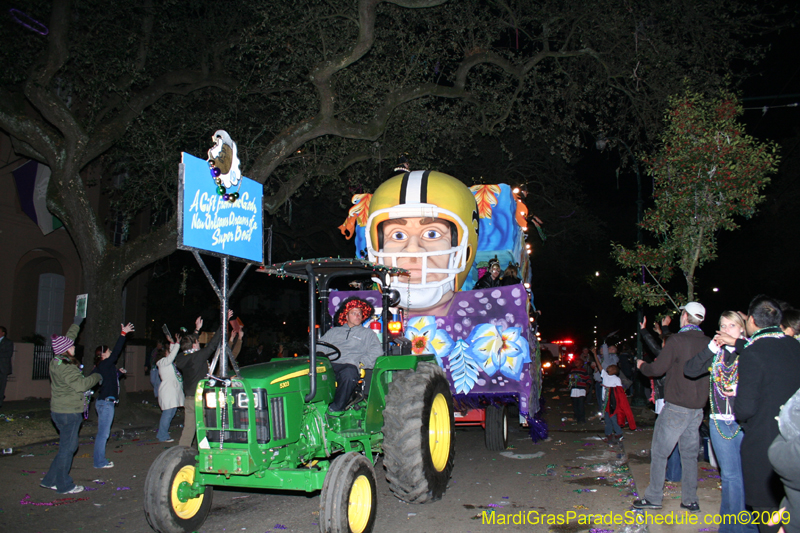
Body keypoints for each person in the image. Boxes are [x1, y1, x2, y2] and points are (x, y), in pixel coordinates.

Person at [719, 296, 800, 533]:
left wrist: (735, 396)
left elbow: (745, 409)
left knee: (767, 517)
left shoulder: (753, 354)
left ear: (751, 320)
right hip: (795, 444)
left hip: (765, 446)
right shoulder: (794, 346)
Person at [365, 170, 479, 313]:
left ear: (466, 250)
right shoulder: (360, 317)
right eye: (398, 235)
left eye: (432, 234)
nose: (413, 248)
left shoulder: (489, 325)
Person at [634, 301, 711, 513]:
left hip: (676, 406)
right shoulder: (709, 342)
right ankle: (690, 500)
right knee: (689, 455)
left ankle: (653, 497)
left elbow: (657, 369)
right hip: (697, 410)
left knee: (659, 452)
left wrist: (642, 366)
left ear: (685, 316)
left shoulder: (677, 340)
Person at [685, 311, 755, 532]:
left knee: (741, 476)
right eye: (722, 326)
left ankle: (740, 527)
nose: (725, 330)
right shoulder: (716, 353)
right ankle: (731, 526)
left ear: (742, 328)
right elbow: (690, 370)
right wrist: (711, 349)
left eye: (731, 326)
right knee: (730, 476)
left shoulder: (750, 351)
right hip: (718, 420)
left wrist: (738, 389)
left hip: (744, 422)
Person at [40, 317, 102, 494]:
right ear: (66, 350)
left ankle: (49, 480)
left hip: (58, 411)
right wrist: (97, 377)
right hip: (69, 413)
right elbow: (81, 385)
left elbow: (68, 338)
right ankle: (64, 485)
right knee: (68, 449)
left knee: (66, 447)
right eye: (72, 346)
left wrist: (77, 322)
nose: (75, 346)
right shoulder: (67, 367)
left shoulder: (56, 360)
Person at [318, 297, 383, 412]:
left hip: (350, 365)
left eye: (360, 313)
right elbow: (320, 347)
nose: (358, 315)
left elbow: (377, 351)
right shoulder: (333, 332)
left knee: (348, 373)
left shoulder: (367, 334)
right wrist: (319, 355)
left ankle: (336, 408)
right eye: (354, 313)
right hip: (330, 365)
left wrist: (361, 363)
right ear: (346, 316)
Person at [174, 314, 226, 447]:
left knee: (189, 428)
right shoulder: (197, 358)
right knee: (204, 426)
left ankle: (182, 451)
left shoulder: (181, 358)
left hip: (189, 398)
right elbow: (212, 345)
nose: (198, 343)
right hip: (200, 398)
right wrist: (223, 323)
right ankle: (204, 452)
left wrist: (197, 330)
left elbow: (189, 345)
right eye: (197, 341)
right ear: (194, 345)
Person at [90, 322, 134, 469]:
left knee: (103, 433)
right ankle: (99, 462)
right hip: (106, 403)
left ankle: (99, 460)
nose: (110, 353)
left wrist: (118, 374)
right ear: (103, 354)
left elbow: (107, 380)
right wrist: (123, 334)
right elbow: (116, 352)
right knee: (103, 434)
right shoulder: (105, 363)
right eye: (107, 351)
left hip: (105, 402)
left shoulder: (103, 367)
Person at [156, 336, 184, 443]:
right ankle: (162, 435)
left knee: (171, 413)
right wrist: (177, 343)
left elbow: (172, 354)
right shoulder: (162, 362)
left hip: (173, 392)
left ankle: (163, 432)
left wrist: (172, 343)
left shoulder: (169, 364)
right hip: (168, 392)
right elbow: (171, 356)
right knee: (167, 414)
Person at [0, 326, 13, 408]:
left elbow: (8, 354)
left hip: (2, 368)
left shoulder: (8, 342)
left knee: (1, 386)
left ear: (3, 333)